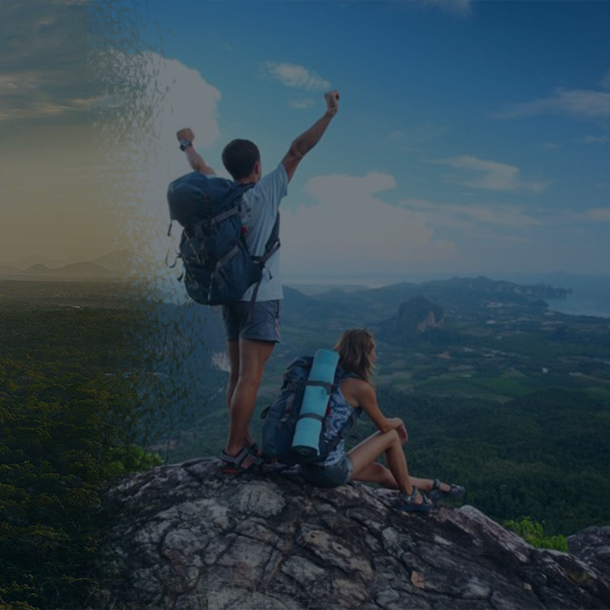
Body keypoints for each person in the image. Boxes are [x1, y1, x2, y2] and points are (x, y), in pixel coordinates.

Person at [176, 89, 341, 474]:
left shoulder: (221, 194)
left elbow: (199, 166)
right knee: (250, 378)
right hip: (260, 297)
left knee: (237, 376)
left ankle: (242, 438)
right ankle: (235, 450)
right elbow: (298, 149)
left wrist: (186, 144)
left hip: (230, 295)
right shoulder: (266, 191)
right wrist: (329, 114)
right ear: (257, 165)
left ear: (229, 167)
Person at [301, 328, 465, 510]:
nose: (376, 356)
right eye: (374, 351)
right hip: (328, 471)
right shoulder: (360, 387)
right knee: (392, 436)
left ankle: (430, 485)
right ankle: (410, 497)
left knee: (380, 472)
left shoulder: (326, 378)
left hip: (308, 465)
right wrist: (399, 421)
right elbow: (384, 426)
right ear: (364, 355)